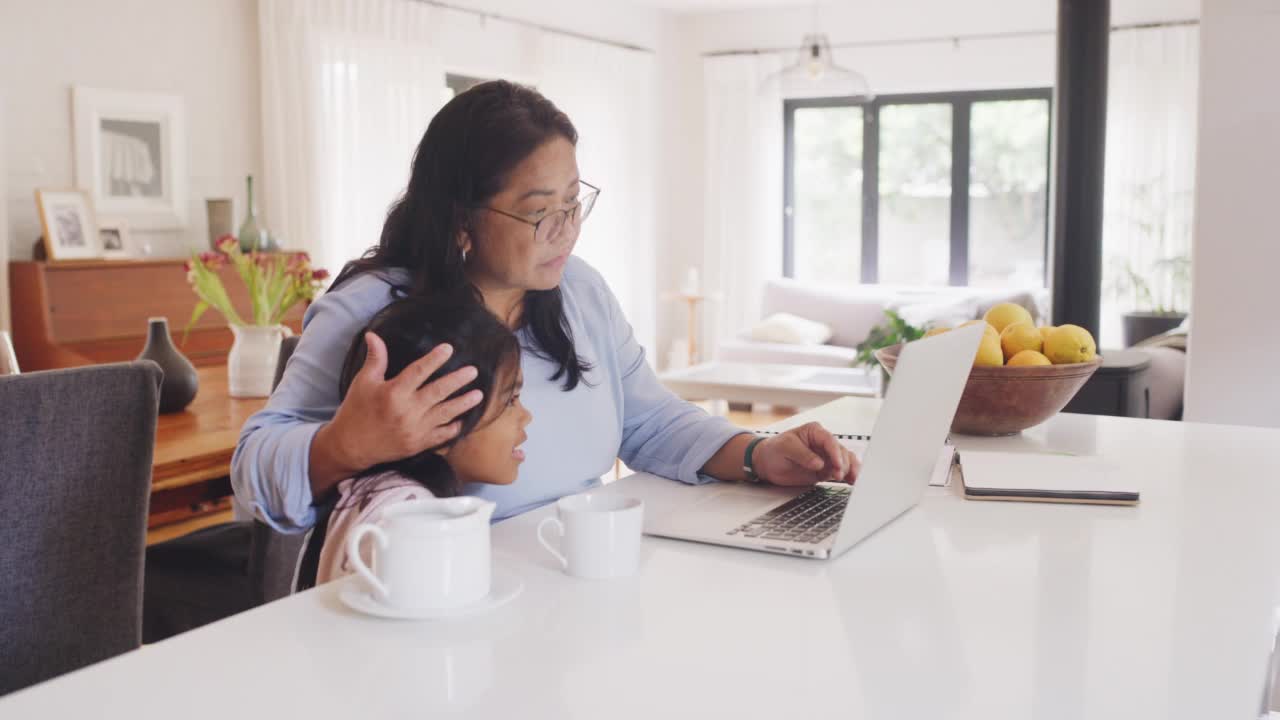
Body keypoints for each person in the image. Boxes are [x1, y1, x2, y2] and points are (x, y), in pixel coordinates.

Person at [232, 79, 858, 535]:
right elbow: (252, 474)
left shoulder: (579, 291)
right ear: (461, 221)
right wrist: (345, 445)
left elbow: (650, 422)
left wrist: (757, 453)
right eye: (538, 212)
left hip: (572, 571)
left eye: (572, 201)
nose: (566, 230)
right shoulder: (374, 311)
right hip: (441, 591)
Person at [316, 294, 531, 584]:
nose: (526, 416)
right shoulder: (409, 515)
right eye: (510, 400)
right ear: (437, 420)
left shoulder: (376, 491)